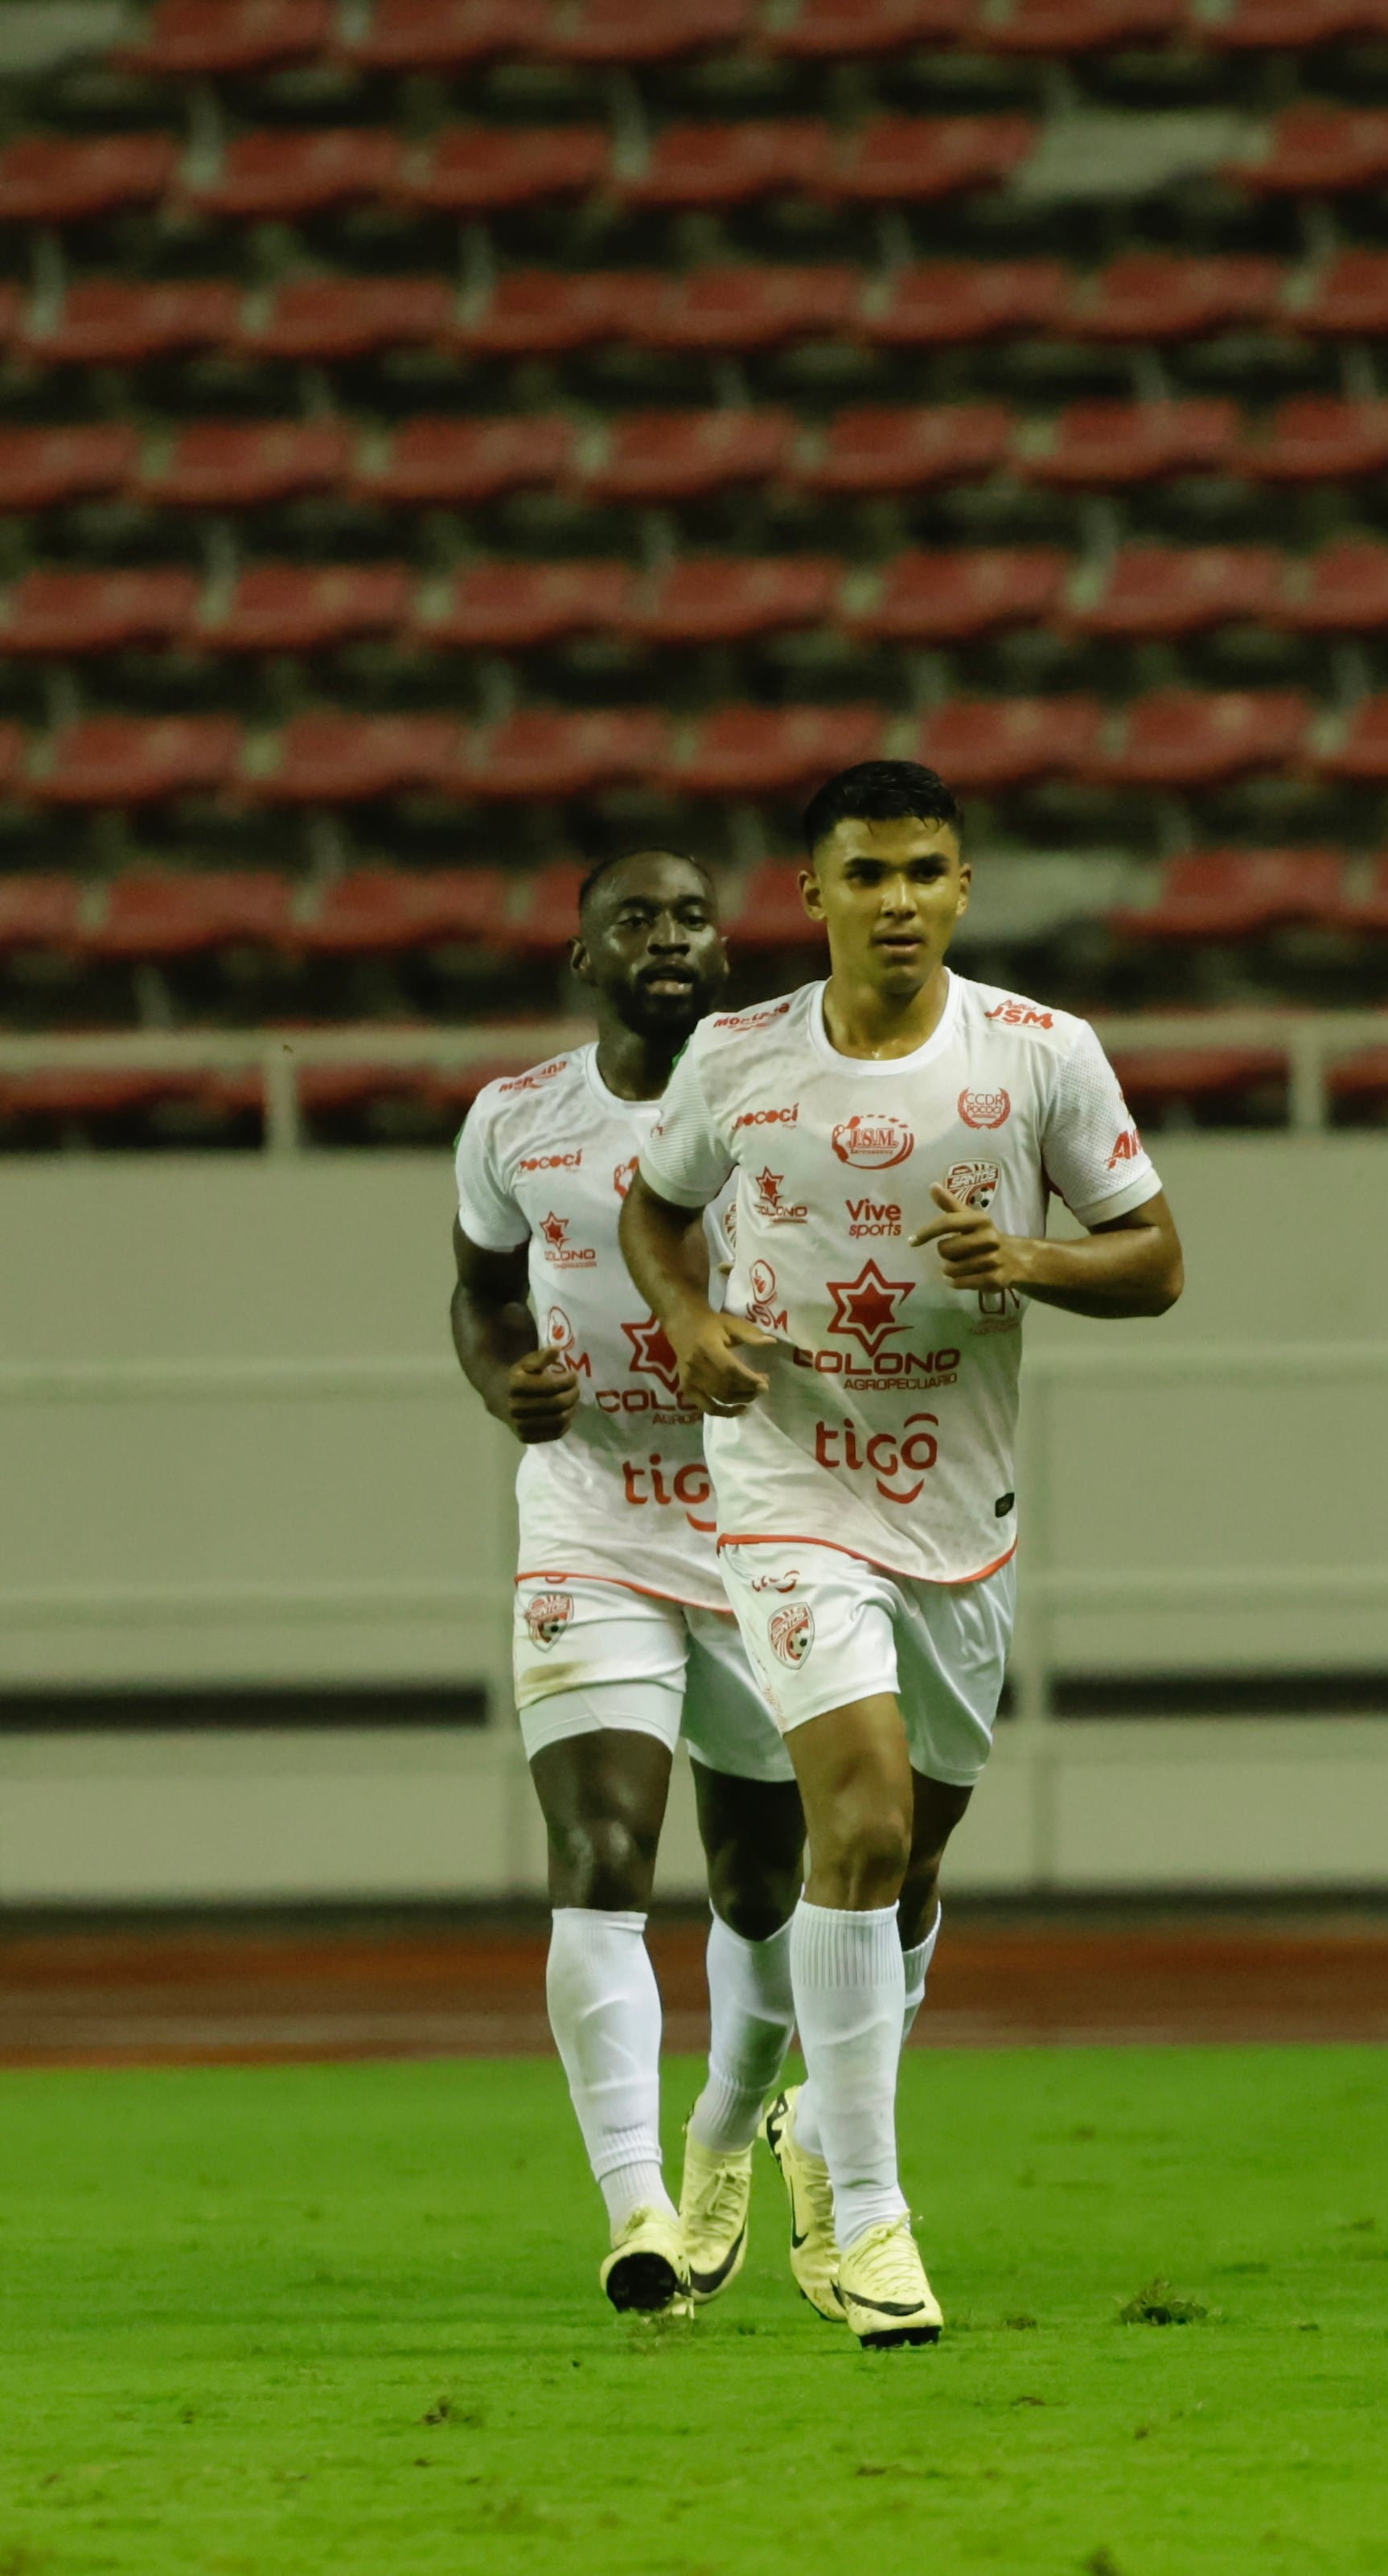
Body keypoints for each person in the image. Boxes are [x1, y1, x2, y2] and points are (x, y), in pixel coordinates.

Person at [618, 761, 1186, 2348]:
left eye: (924, 871)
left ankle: (774, 2126)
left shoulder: (1040, 1059)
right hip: (788, 1487)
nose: (897, 902)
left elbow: (1158, 1263)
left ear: (963, 888)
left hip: (960, 1517)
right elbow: (656, 1216)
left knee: (907, 1863)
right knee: (852, 1817)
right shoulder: (736, 1062)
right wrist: (688, 1324)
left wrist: (1034, 1259)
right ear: (811, 896)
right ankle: (868, 2222)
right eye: (864, 874)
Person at [450, 847, 808, 2316]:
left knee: (767, 1886)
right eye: (633, 920)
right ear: (585, 958)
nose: (667, 936)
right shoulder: (514, 1121)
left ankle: (727, 2123)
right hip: (592, 1517)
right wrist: (501, 1384)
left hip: (771, 1519)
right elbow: (481, 1296)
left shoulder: (791, 1091)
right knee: (602, 1858)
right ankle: (637, 2213)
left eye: (692, 916)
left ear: (727, 951)